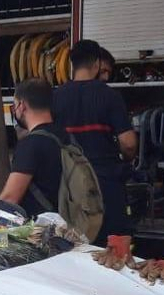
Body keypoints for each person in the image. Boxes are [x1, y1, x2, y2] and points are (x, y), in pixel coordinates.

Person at [52, 40, 137, 249]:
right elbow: (128, 144)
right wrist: (127, 159)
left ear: (72, 63)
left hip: (70, 185)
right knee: (113, 246)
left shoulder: (55, 97)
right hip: (106, 183)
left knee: (75, 244)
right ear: (97, 64)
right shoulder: (110, 96)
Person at [0, 79, 65, 217]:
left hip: (42, 231)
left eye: (14, 105)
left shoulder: (30, 145)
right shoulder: (67, 137)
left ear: (21, 106)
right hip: (70, 226)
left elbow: (9, 199)